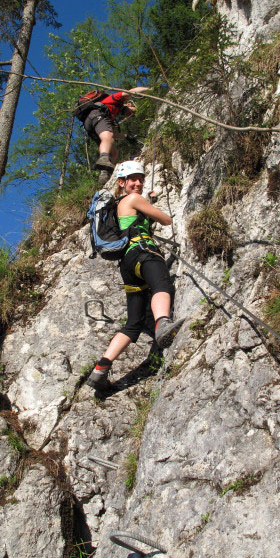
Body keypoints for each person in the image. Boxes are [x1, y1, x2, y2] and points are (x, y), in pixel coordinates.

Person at [87, 160, 184, 392]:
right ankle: (162, 324)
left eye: (140, 178)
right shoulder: (133, 199)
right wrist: (150, 204)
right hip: (144, 252)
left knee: (133, 324)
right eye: (133, 179)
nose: (138, 182)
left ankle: (101, 368)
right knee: (162, 284)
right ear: (121, 183)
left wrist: (145, 204)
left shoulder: (120, 204)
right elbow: (166, 220)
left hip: (128, 265)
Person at [84, 87, 151, 185]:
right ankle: (103, 158)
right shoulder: (116, 100)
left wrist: (126, 136)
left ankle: (105, 173)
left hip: (90, 124)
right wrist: (150, 89)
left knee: (114, 153)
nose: (131, 114)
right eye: (133, 111)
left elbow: (112, 135)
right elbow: (130, 91)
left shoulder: (112, 115)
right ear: (129, 104)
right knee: (108, 136)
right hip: (96, 115)